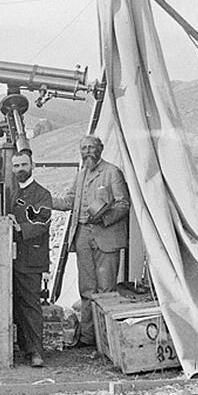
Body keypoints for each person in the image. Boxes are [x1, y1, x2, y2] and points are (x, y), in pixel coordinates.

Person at [53, 135, 130, 347]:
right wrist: (45, 200)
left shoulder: (112, 172)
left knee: (106, 290)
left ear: (100, 149)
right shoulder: (80, 176)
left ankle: (106, 341)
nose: (87, 151)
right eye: (84, 148)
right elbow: (69, 201)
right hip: (83, 238)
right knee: (86, 289)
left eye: (91, 147)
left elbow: (123, 204)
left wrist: (104, 218)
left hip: (106, 236)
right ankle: (88, 338)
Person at [9, 150, 52, 368]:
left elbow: (42, 222)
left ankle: (36, 351)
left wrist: (19, 227)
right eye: (16, 166)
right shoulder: (11, 193)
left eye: (23, 165)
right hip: (11, 258)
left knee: (31, 305)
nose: (20, 170)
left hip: (31, 256)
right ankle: (22, 348)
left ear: (32, 165)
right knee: (14, 303)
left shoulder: (42, 194)